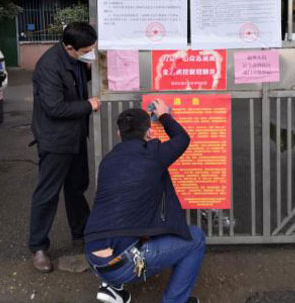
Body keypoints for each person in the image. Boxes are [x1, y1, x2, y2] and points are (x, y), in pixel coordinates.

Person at [84, 100, 205, 303]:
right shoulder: (153, 154)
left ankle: (112, 288)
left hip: (93, 257)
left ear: (119, 134)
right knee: (196, 239)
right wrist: (164, 115)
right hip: (122, 262)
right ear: (149, 133)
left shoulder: (108, 161)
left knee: (122, 220)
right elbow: (182, 138)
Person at [29, 22, 101, 273]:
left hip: (75, 136)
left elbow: (77, 81)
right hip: (55, 140)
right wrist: (88, 105)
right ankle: (38, 247)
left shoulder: (74, 59)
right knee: (47, 193)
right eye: (86, 50)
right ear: (70, 47)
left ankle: (81, 233)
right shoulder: (49, 66)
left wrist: (91, 71)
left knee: (76, 188)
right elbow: (55, 108)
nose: (90, 53)